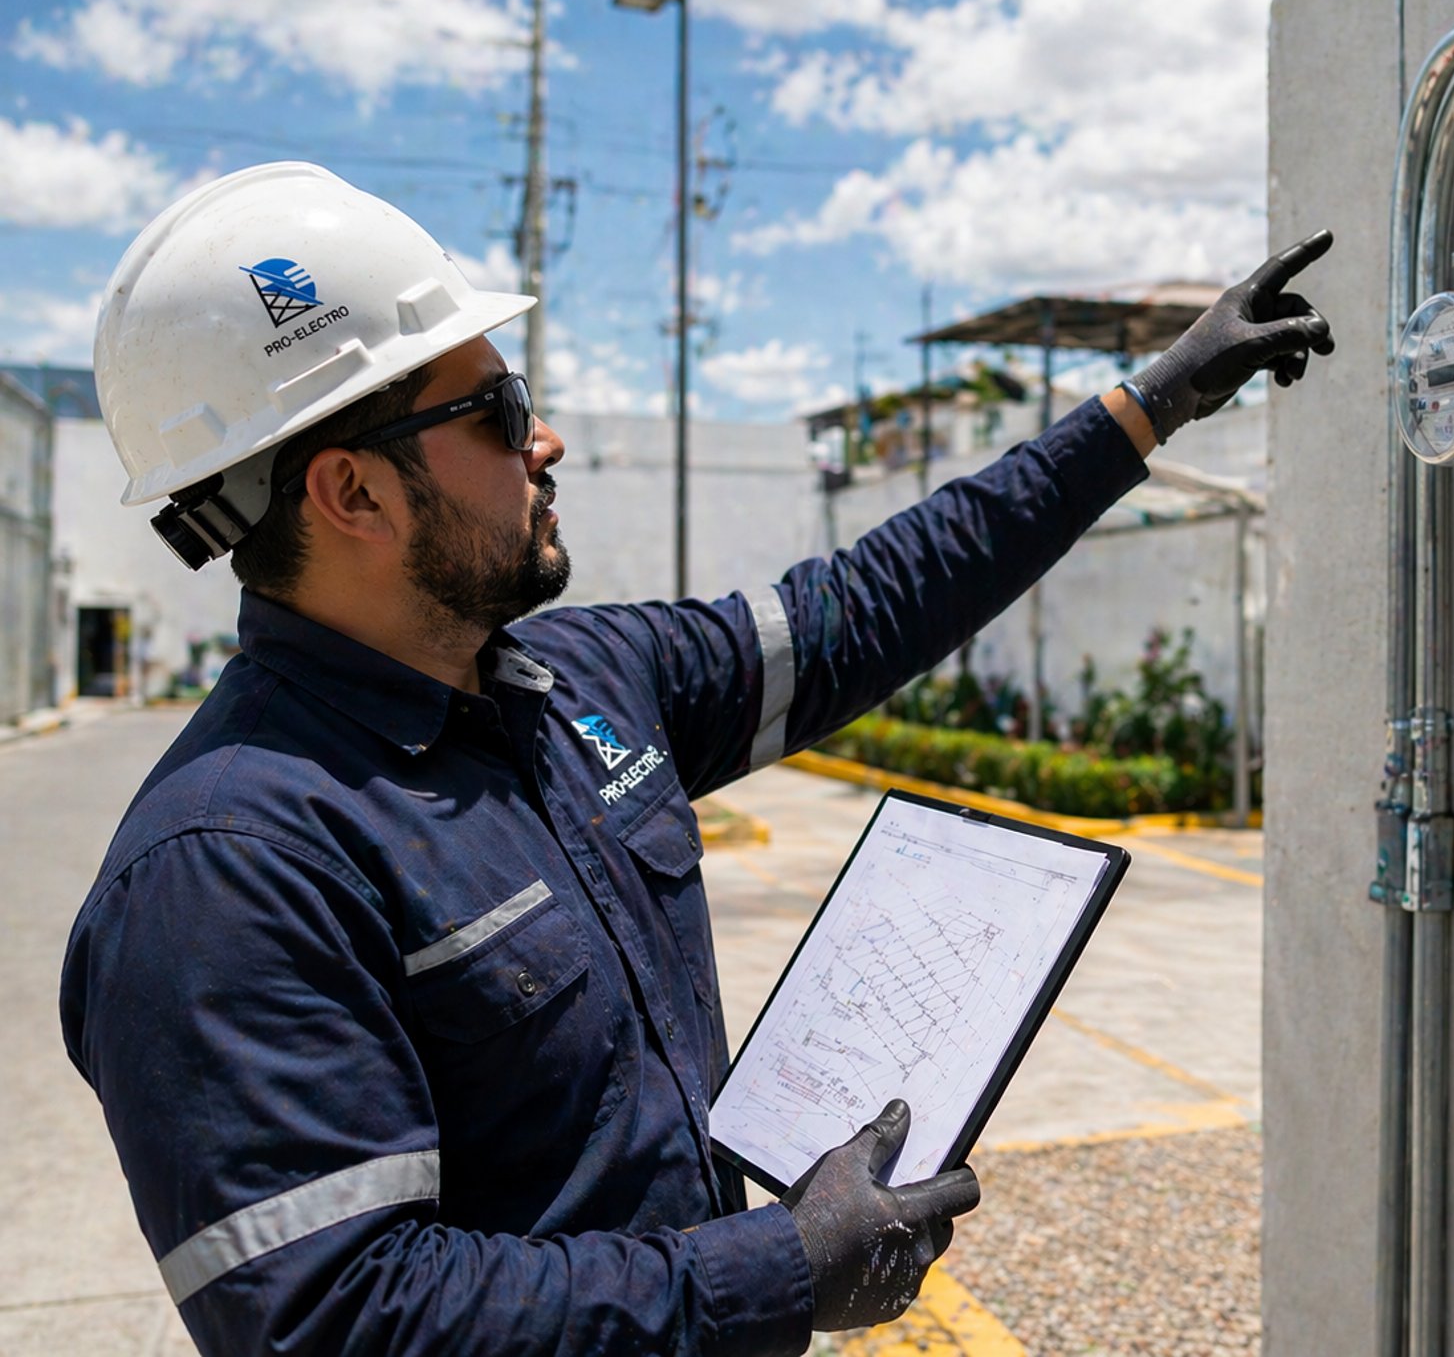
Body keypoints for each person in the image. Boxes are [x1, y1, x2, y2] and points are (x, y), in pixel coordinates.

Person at [59, 162, 1335, 1355]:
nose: (544, 440)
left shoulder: (583, 687)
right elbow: (345, 1315)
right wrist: (779, 1269)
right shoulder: (224, 872)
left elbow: (872, 600)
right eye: (500, 411)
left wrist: (1144, 409)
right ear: (354, 495)